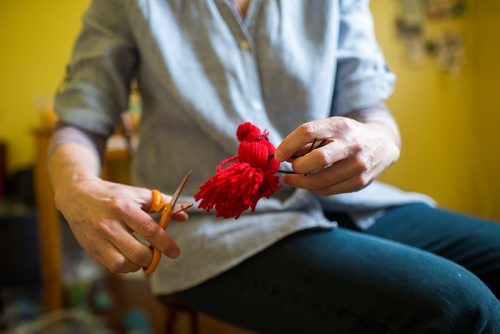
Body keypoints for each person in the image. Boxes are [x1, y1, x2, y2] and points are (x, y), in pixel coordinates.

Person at [48, 0, 500, 332]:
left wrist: (380, 140)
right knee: (458, 307)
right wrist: (73, 186)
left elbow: (371, 109)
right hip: (210, 230)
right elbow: (80, 121)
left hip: (348, 203)